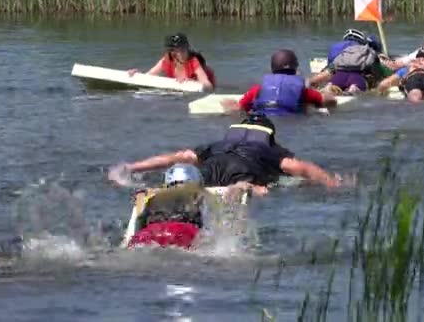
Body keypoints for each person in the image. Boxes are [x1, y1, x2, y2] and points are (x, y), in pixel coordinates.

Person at [108, 113, 345, 190]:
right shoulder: (268, 148)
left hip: (211, 168)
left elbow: (177, 157)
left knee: (189, 184)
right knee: (252, 190)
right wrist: (332, 182)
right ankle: (246, 188)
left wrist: (133, 167)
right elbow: (300, 168)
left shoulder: (217, 145)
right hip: (243, 172)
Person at [127, 164, 258, 249]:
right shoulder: (200, 193)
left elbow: (140, 220)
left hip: (150, 232)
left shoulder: (154, 197)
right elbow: (216, 221)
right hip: (183, 231)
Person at [221, 49, 336, 115]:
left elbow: (240, 108)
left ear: (272, 68)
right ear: (295, 67)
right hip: (292, 122)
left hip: (262, 120)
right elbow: (330, 101)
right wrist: (328, 90)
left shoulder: (257, 89)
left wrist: (227, 103)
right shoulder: (302, 90)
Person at [309, 29, 389, 94]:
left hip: (338, 76)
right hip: (357, 78)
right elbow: (381, 74)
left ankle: (329, 86)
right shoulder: (370, 54)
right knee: (356, 86)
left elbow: (329, 70)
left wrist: (313, 82)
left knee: (331, 84)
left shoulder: (345, 52)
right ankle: (353, 89)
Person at [127, 32, 215, 91]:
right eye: (175, 50)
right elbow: (149, 75)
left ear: (188, 47)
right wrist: (137, 74)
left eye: (182, 49)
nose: (179, 53)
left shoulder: (194, 62)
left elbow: (209, 86)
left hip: (206, 85)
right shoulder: (167, 59)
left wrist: (194, 82)